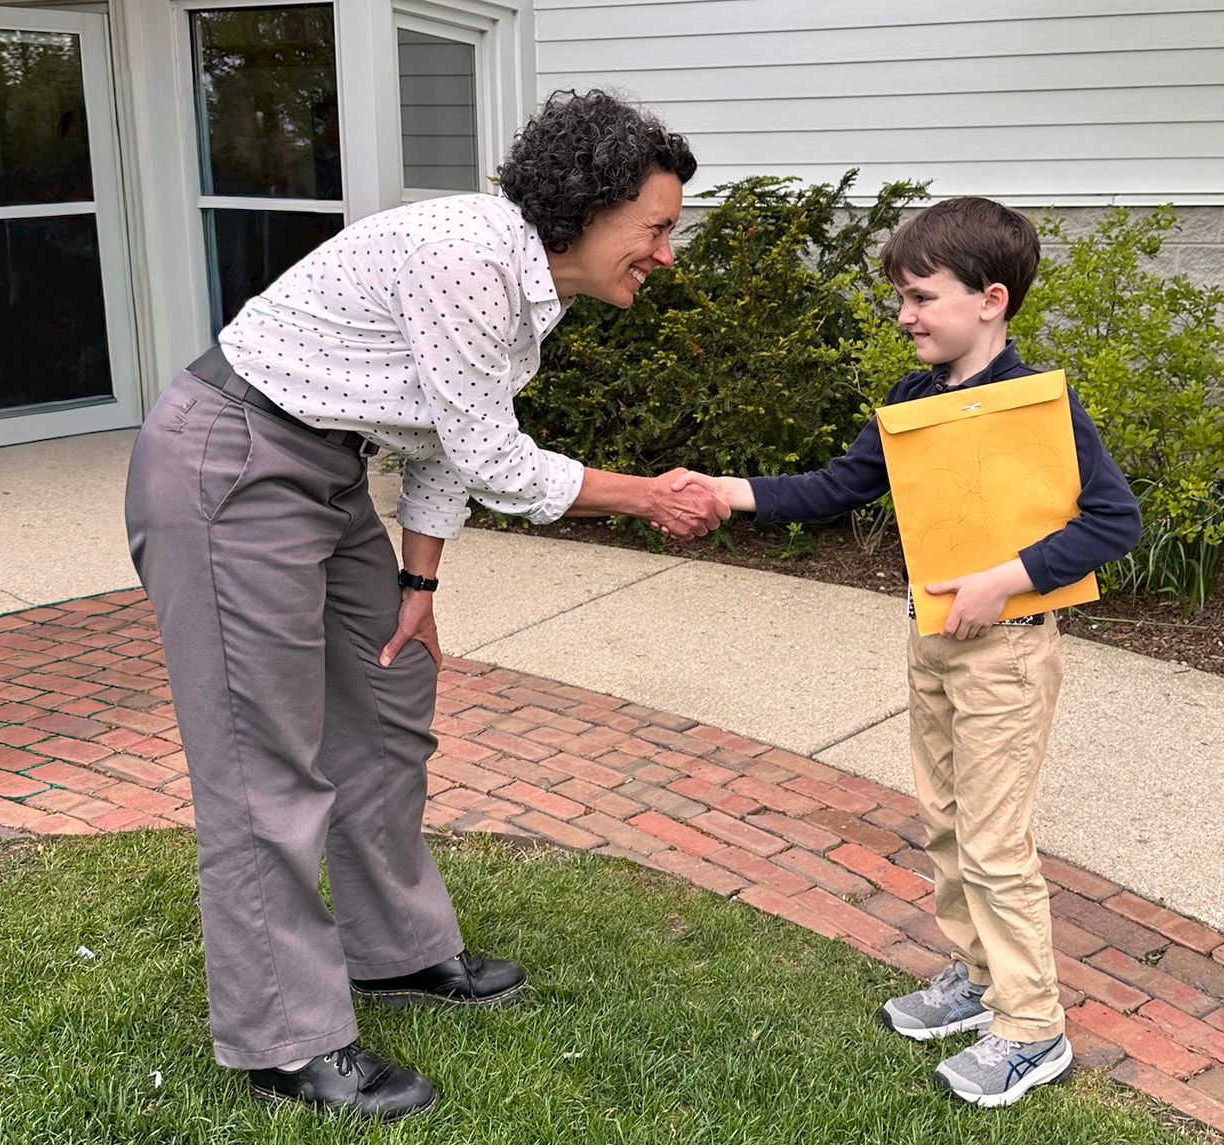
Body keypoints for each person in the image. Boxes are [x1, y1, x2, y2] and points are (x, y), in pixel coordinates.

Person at [124, 89, 728, 1121]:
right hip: (230, 464)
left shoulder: (530, 287)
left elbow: (449, 438)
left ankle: (394, 948)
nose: (665, 254)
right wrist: (649, 494)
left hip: (323, 469)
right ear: (587, 207)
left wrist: (418, 579)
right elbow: (495, 458)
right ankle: (287, 1040)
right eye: (657, 228)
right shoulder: (467, 256)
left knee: (388, 700)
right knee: (258, 762)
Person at [684, 197, 1140, 1107]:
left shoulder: (1037, 407)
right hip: (931, 644)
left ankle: (1032, 1026)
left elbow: (1112, 520)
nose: (905, 315)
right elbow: (835, 487)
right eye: (902, 296)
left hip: (1005, 652)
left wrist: (1002, 579)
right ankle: (980, 978)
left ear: (991, 299)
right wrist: (722, 490)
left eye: (922, 296)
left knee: (997, 842)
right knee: (946, 821)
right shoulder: (912, 399)